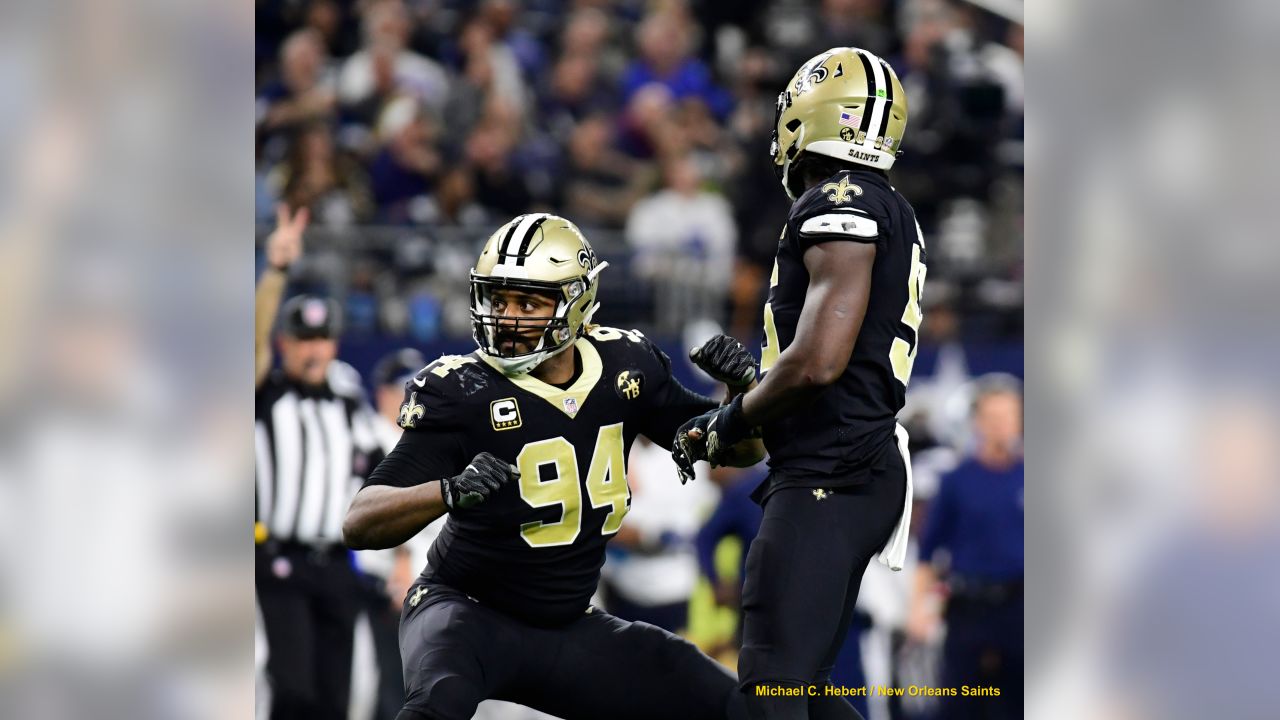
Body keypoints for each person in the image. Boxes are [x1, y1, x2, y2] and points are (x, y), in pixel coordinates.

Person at [342, 213, 764, 720]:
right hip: (463, 611)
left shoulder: (625, 367)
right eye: (499, 299)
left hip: (566, 624)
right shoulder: (462, 390)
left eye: (528, 302)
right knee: (438, 702)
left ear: (576, 303)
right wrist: (446, 491)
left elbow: (738, 452)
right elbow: (360, 521)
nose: (508, 317)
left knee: (721, 697)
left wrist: (743, 401)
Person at [673, 47, 925, 720]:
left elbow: (818, 363)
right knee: (804, 693)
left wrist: (730, 421)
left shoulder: (837, 199)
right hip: (847, 464)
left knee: (771, 694)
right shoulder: (885, 204)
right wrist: (752, 394)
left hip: (831, 474)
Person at [255, 205, 387, 720]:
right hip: (280, 560)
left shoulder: (348, 393)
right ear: (285, 343)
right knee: (292, 690)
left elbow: (381, 463)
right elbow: (250, 346)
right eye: (303, 340)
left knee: (336, 697)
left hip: (339, 564)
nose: (314, 351)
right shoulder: (268, 390)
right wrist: (276, 273)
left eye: (322, 339)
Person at [907, 377, 1023, 720]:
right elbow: (928, 552)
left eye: (1009, 416)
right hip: (968, 607)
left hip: (1022, 607)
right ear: (977, 422)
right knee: (960, 703)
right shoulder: (957, 480)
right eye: (993, 416)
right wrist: (918, 608)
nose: (1002, 425)